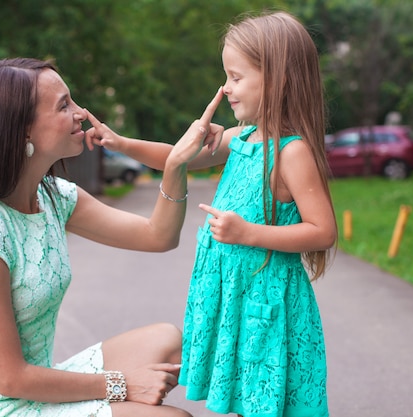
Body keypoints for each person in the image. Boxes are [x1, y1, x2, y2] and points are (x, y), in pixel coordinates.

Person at [0, 57, 225, 417]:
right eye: (63, 105)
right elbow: (10, 378)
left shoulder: (54, 196)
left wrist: (176, 164)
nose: (81, 113)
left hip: (35, 384)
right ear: (23, 130)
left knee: (167, 341)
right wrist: (122, 384)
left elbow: (158, 236)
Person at [85, 11, 337, 417]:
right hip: (234, 300)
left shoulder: (292, 152)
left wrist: (248, 233)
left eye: (236, 77)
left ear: (276, 80)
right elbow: (178, 157)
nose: (226, 88)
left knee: (266, 401)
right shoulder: (242, 138)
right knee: (247, 399)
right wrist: (121, 142)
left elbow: (322, 231)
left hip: (265, 305)